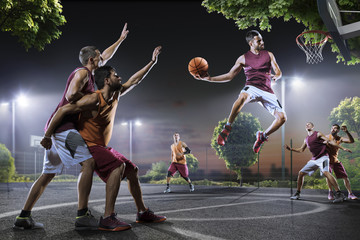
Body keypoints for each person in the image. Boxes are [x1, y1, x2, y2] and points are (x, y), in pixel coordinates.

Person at [13, 24, 130, 230]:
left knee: (47, 174)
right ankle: (82, 215)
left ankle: (23, 216)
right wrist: (88, 99)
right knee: (89, 164)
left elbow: (106, 55)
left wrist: (120, 40)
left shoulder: (90, 72)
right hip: (64, 129)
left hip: (55, 129)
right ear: (92, 59)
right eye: (98, 57)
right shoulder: (83, 72)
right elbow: (69, 97)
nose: (102, 58)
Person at [41, 46, 166, 231]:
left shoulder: (116, 94)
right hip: (88, 145)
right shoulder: (93, 99)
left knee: (132, 170)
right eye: (116, 75)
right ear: (107, 80)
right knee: (117, 166)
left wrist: (152, 62)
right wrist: (47, 135)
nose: (120, 77)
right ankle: (108, 218)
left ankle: (142, 212)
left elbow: (134, 80)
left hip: (101, 146)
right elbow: (63, 109)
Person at [194, 30, 286, 153]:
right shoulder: (243, 58)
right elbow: (229, 76)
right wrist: (209, 79)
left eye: (262, 39)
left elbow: (278, 71)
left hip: (267, 90)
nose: (262, 42)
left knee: (282, 118)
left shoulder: (269, 54)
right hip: (252, 87)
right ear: (251, 43)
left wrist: (277, 76)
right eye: (259, 41)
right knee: (242, 97)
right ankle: (227, 129)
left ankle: (262, 136)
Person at [284, 122, 352, 203]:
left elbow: (330, 141)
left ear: (313, 127)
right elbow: (301, 149)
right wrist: (290, 149)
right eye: (306, 124)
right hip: (314, 159)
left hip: (323, 157)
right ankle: (297, 193)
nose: (307, 125)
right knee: (301, 173)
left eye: (309, 124)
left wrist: (342, 148)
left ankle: (339, 193)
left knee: (326, 172)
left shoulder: (318, 133)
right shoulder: (306, 139)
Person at [325, 124, 357, 200]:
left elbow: (351, 141)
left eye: (335, 128)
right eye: (332, 128)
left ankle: (350, 193)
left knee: (345, 177)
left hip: (335, 161)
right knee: (328, 175)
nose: (333, 129)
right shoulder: (326, 137)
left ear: (338, 130)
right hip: (326, 160)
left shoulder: (340, 139)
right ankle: (330, 192)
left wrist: (347, 132)